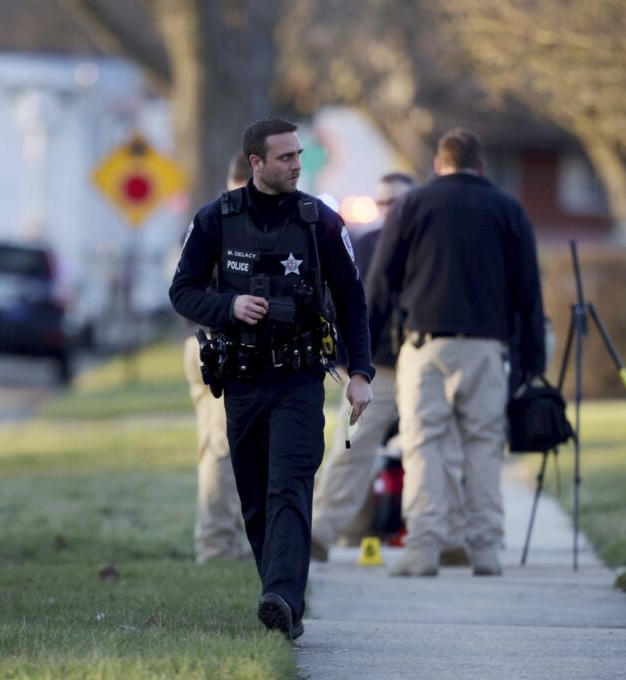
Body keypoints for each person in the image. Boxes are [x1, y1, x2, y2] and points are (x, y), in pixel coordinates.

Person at [170, 117, 374, 639]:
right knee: (256, 496)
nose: (296, 166)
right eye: (285, 158)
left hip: (300, 379)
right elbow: (183, 291)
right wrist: (229, 305)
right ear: (255, 163)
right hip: (241, 379)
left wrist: (360, 372)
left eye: (299, 156)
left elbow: (352, 300)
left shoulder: (320, 222)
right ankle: (282, 602)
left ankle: (282, 595)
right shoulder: (216, 218)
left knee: (290, 485)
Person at [368, 128, 545, 577]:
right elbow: (529, 292)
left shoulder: (412, 205)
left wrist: (363, 344)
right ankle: (484, 549)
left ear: (437, 164)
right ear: (481, 167)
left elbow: (381, 280)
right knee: (484, 447)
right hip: (487, 348)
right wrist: (532, 362)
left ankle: (423, 548)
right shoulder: (508, 209)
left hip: (425, 345)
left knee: (423, 444)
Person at [310, 173, 416, 560]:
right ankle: (322, 532)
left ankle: (439, 534)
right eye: (384, 202)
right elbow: (344, 301)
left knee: (432, 449)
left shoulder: (426, 244)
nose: (390, 210)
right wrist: (348, 360)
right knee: (351, 446)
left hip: (422, 362)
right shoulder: (365, 243)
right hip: (377, 367)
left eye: (399, 202)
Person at [184, 152, 251, 563]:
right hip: (216, 346)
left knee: (217, 443)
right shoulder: (222, 222)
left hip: (201, 343)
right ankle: (215, 543)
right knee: (222, 447)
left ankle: (226, 539)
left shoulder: (204, 219)